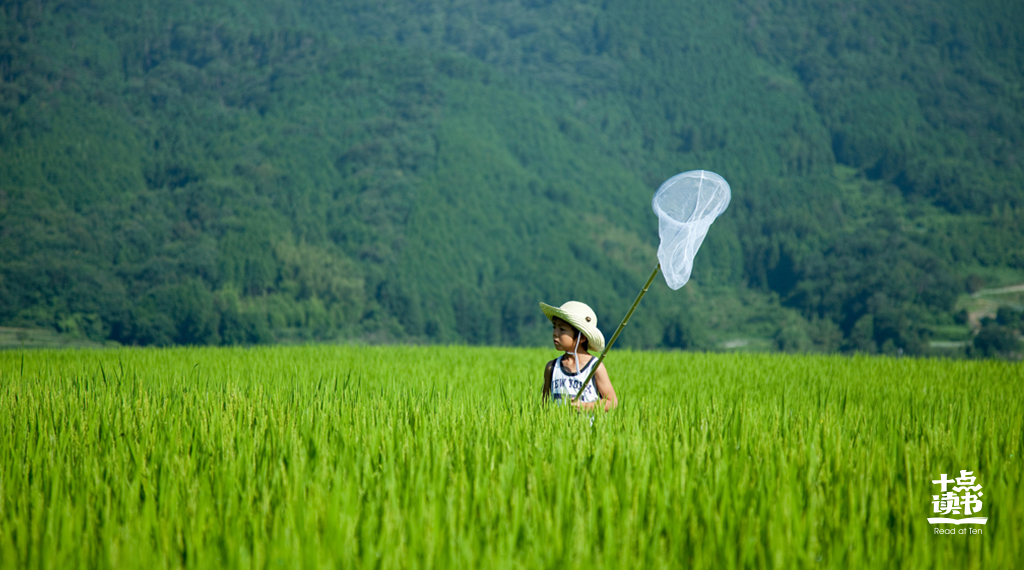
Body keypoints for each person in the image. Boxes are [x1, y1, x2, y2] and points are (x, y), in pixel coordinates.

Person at [539, 301, 618, 412]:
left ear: (582, 337)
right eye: (554, 327)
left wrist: (585, 406)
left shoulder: (595, 367)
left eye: (562, 329)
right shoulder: (552, 368)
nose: (555, 333)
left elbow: (612, 402)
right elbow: (545, 405)